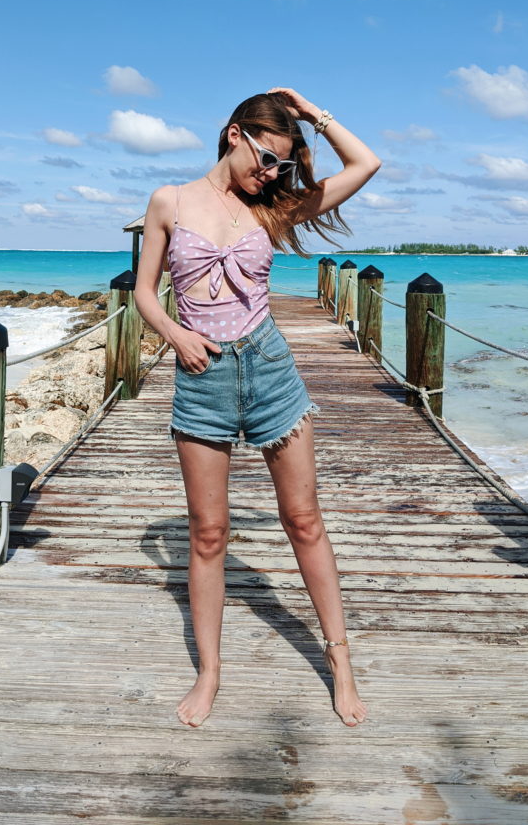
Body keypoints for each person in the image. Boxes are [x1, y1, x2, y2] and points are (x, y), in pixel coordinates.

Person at [134, 87, 381, 728]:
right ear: (232, 134)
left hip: (269, 369)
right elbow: (144, 292)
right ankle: (210, 672)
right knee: (209, 535)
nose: (269, 174)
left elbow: (365, 165)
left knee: (304, 521)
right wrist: (177, 334)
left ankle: (340, 663)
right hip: (202, 376)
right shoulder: (170, 201)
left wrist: (312, 114)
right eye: (265, 158)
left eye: (280, 166)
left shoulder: (273, 209)